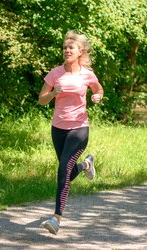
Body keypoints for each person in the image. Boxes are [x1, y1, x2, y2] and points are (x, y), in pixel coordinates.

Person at [38, 30, 104, 235]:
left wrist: (97, 97)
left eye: (71, 48)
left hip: (79, 128)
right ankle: (86, 164)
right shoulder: (55, 73)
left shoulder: (87, 74)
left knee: (63, 170)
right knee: (65, 171)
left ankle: (56, 218)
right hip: (58, 128)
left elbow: (98, 89)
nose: (67, 50)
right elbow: (41, 99)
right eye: (64, 48)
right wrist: (53, 93)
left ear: (80, 52)